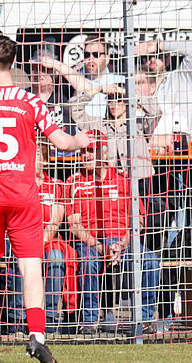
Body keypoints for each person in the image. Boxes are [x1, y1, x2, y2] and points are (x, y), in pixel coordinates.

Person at [0, 35, 89, 362]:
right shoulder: (30, 101)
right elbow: (60, 142)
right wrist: (80, 138)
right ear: (14, 63)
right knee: (31, 266)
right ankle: (37, 337)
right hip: (24, 194)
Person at [65, 130, 161, 335]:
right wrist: (98, 245)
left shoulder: (123, 179)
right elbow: (73, 224)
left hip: (122, 241)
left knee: (151, 261)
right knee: (88, 261)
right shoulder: (74, 181)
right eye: (83, 151)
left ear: (105, 153)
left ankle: (143, 320)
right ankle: (89, 322)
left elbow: (139, 219)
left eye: (92, 150)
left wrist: (123, 244)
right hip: (91, 242)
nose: (87, 155)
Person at [5, 146, 79, 334]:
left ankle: (51, 317)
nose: (32, 159)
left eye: (36, 155)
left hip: (46, 240)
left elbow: (55, 221)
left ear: (45, 159)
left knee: (55, 256)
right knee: (18, 257)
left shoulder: (56, 186)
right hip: (20, 237)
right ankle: (18, 319)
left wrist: (42, 239)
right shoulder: (16, 183)